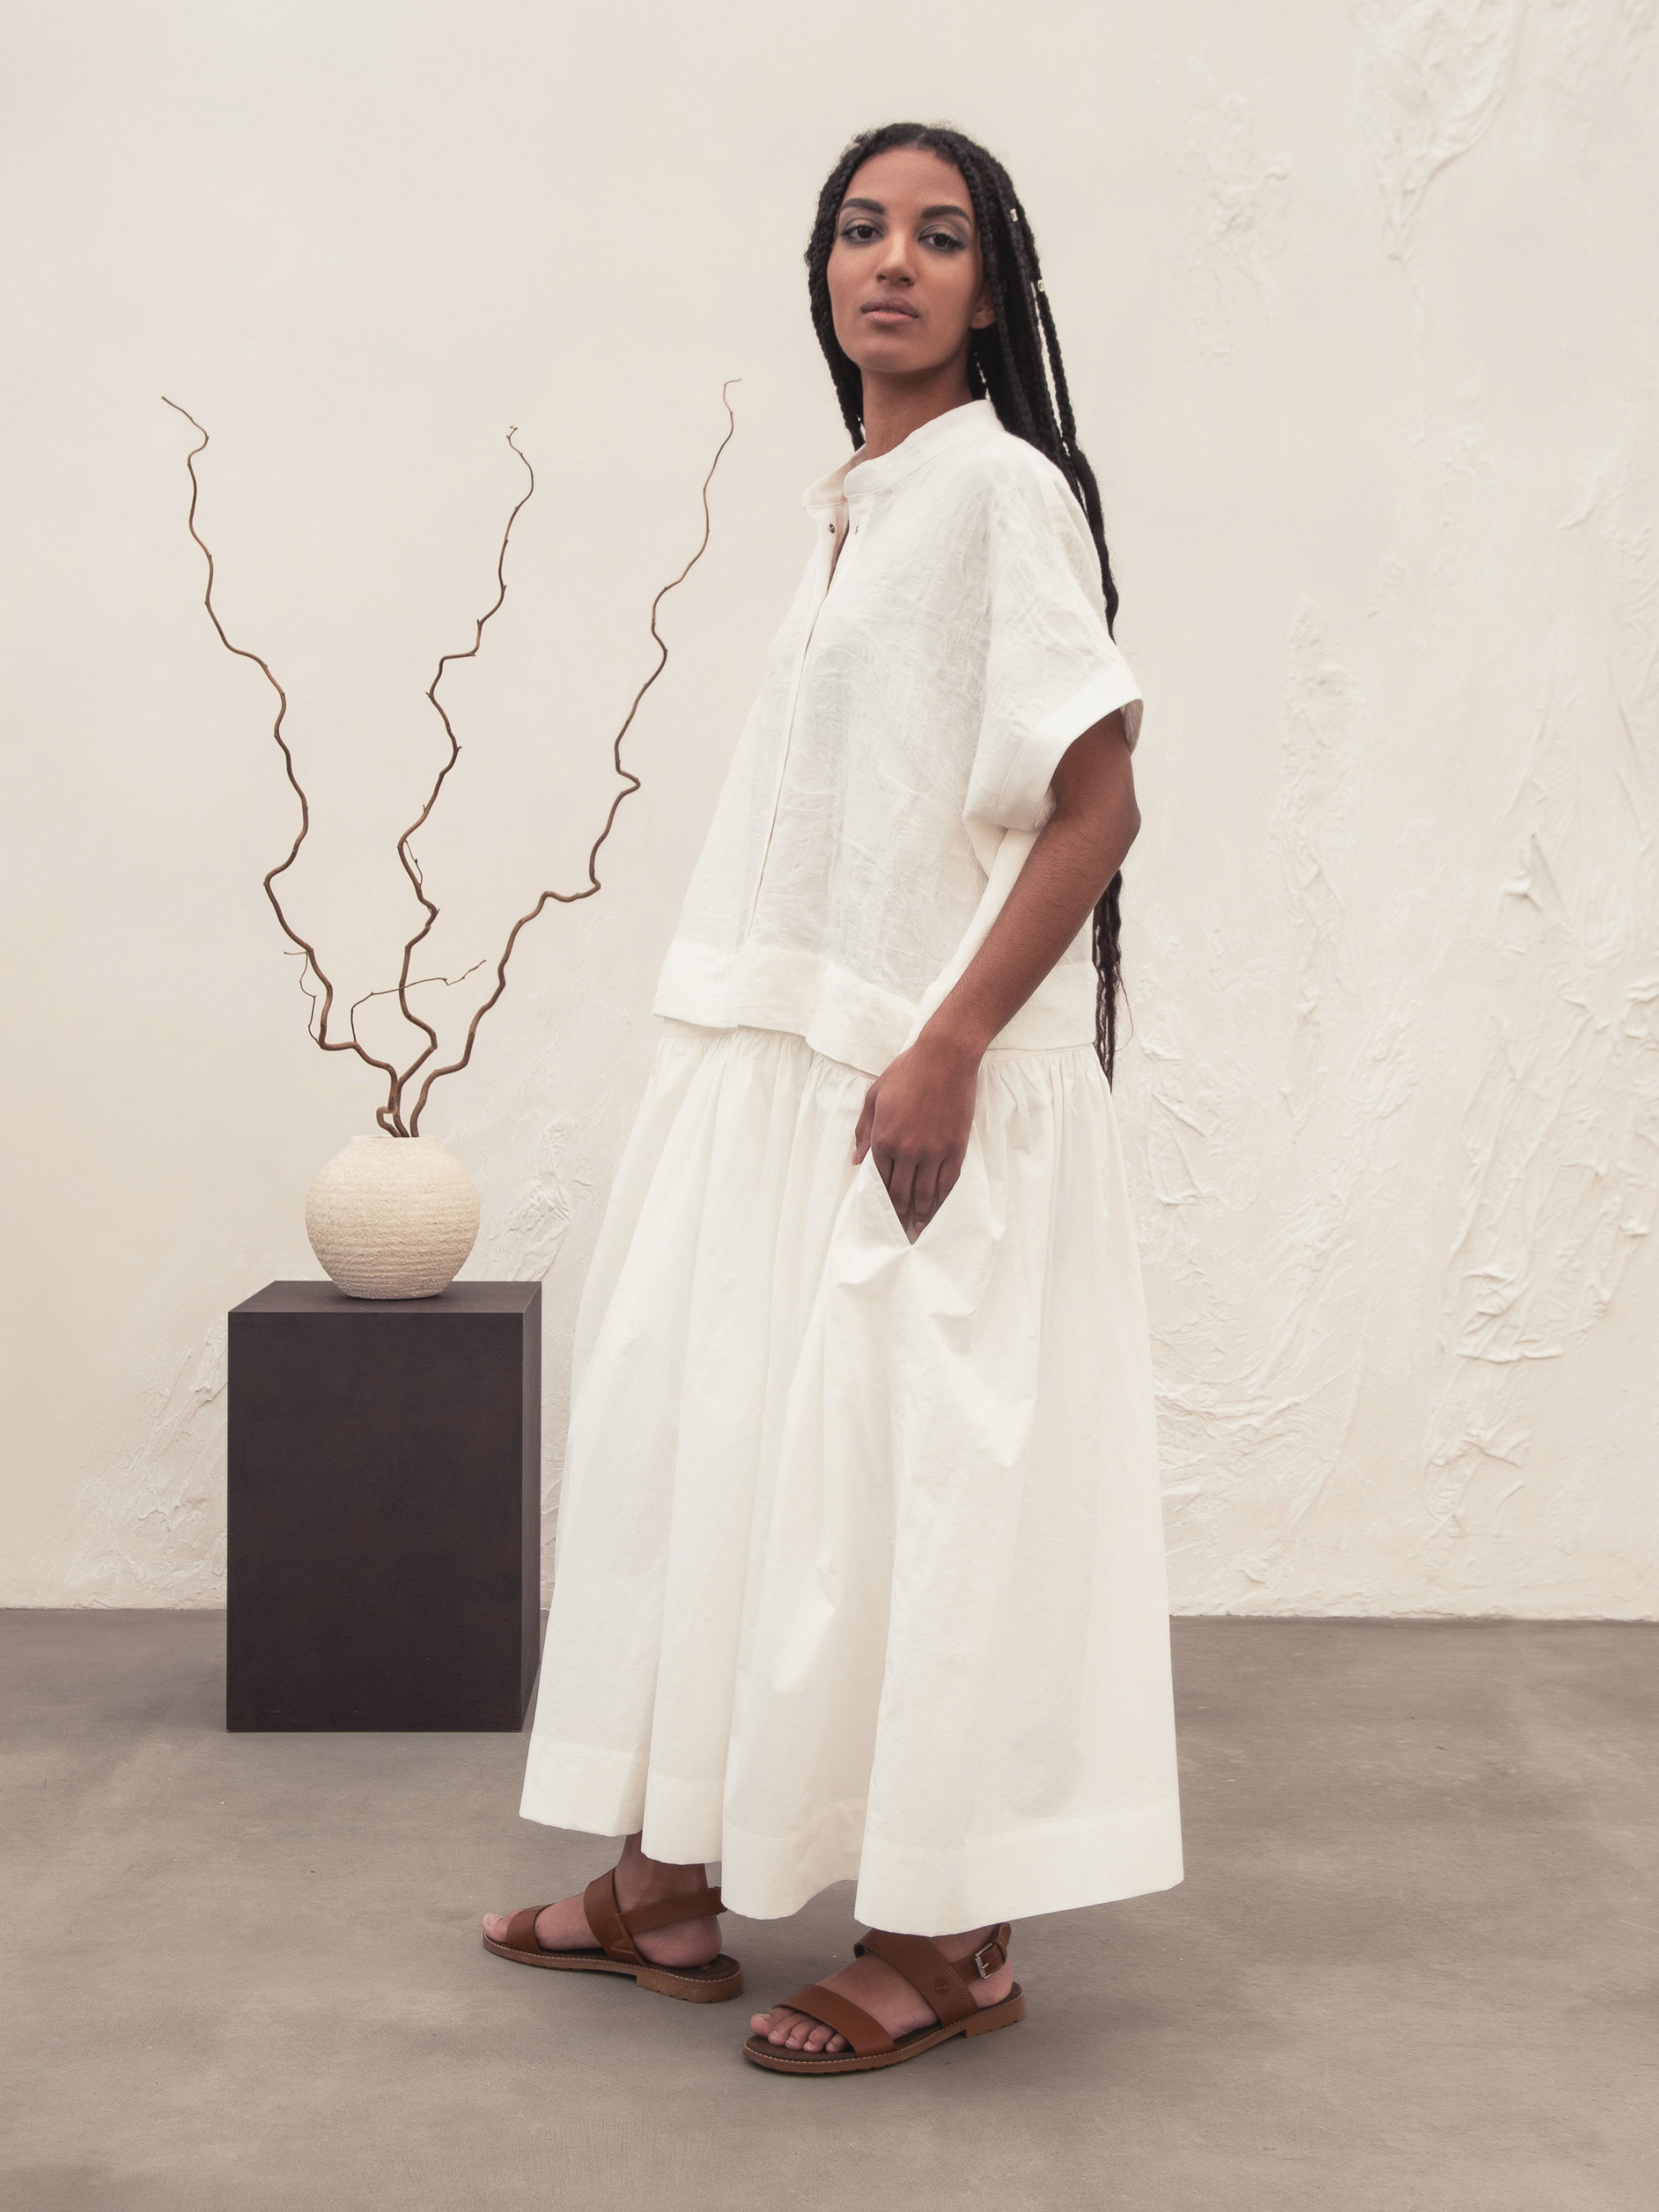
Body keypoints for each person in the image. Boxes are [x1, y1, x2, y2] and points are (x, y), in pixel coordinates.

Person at [483, 120, 1182, 2076]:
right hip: (776, 1065)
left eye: (937, 237)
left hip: (906, 1088)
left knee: (907, 1495)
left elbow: (1097, 802)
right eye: (860, 230)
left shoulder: (997, 493)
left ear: (991, 290)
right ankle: (664, 1880)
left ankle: (949, 1941)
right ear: (818, 272)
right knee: (715, 1457)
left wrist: (945, 1044)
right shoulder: (861, 506)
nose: (891, 261)